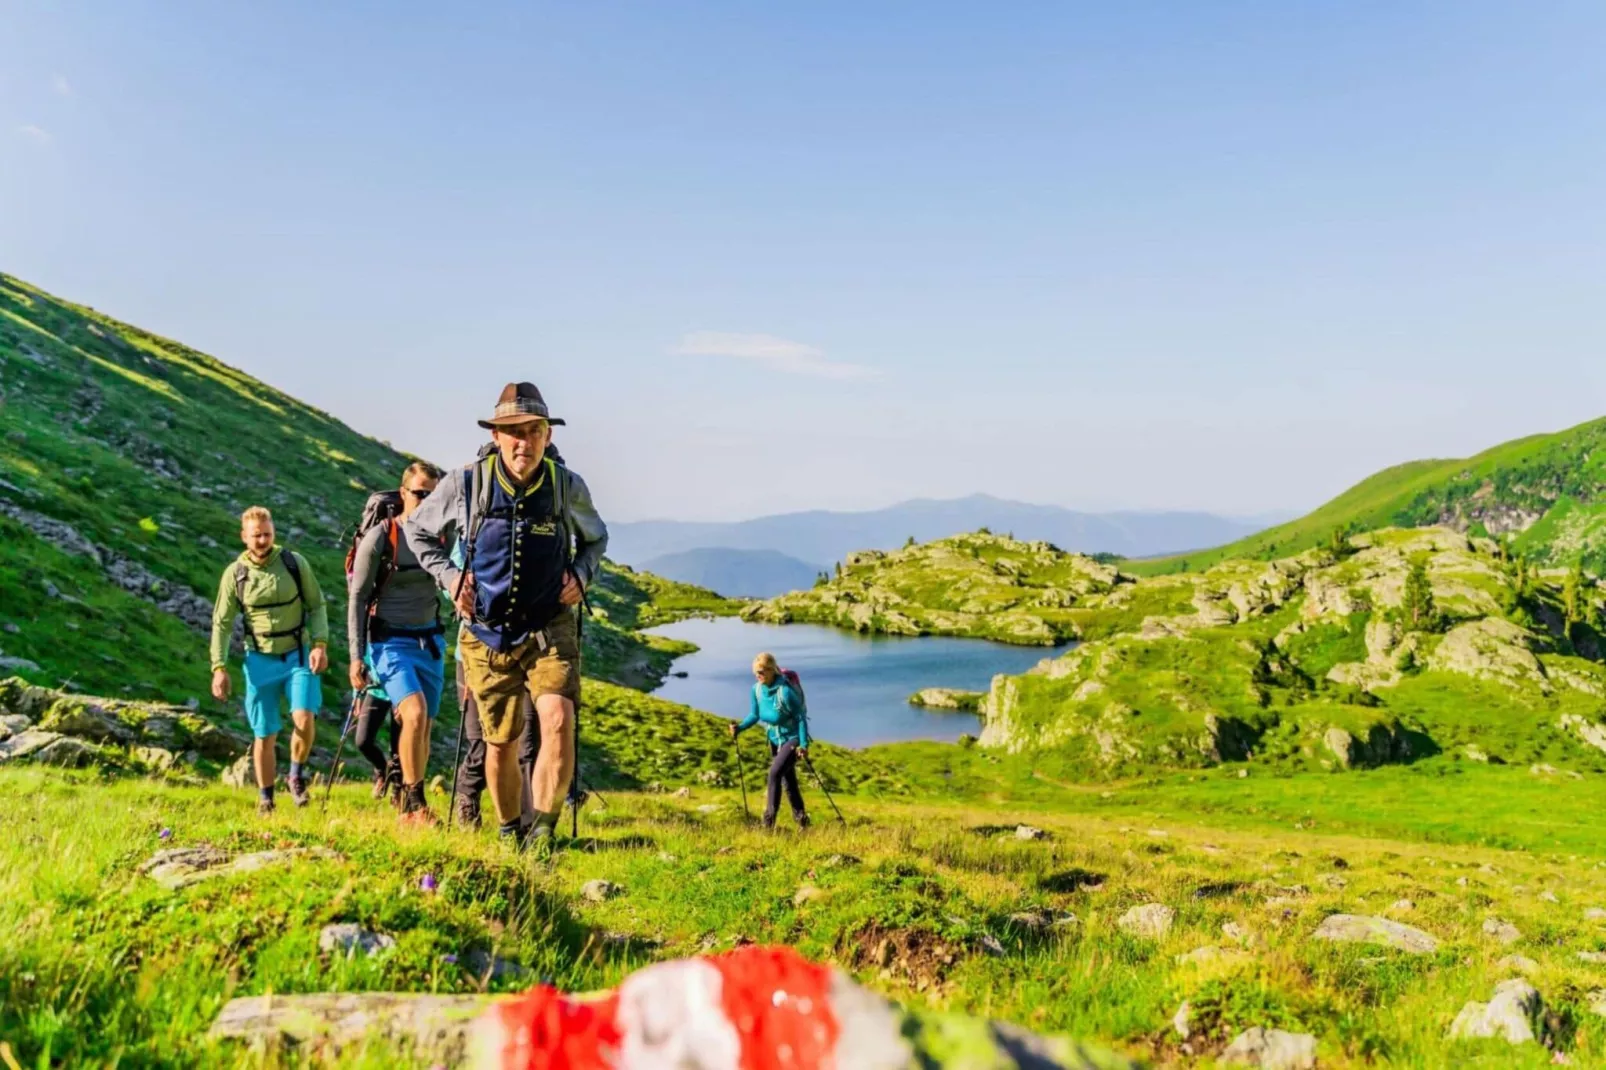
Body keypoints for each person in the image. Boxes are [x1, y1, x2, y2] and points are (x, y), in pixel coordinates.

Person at [407, 382, 608, 859]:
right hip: (485, 631)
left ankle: (542, 835)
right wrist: (451, 578)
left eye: (534, 431)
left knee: (558, 719)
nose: (525, 442)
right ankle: (508, 830)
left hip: (549, 625)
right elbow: (418, 530)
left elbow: (596, 540)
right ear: (496, 436)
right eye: (513, 432)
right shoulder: (466, 483)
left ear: (546, 434)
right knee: (500, 742)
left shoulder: (566, 486)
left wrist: (583, 574)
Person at [210, 506, 330, 813]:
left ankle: (296, 776)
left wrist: (319, 644)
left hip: (298, 654)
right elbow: (222, 624)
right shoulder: (234, 575)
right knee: (265, 733)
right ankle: (266, 799)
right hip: (259, 660)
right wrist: (219, 667)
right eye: (256, 536)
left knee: (304, 717)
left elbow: (316, 605)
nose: (263, 540)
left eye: (268, 534)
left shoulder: (292, 563)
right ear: (244, 537)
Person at [348, 461, 448, 824]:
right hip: (389, 642)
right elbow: (357, 598)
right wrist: (356, 657)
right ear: (404, 493)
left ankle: (407, 803)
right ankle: (415, 803)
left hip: (431, 642)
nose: (427, 501)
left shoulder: (444, 535)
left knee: (423, 729)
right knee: (415, 713)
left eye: (435, 496)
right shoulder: (382, 537)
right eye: (421, 493)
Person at [730, 652, 811, 830]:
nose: (757, 675)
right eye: (755, 672)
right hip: (774, 739)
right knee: (788, 781)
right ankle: (802, 822)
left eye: (761, 672)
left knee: (774, 773)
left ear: (771, 670)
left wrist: (803, 745)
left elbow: (800, 718)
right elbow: (755, 714)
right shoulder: (757, 690)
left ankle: (768, 824)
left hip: (792, 739)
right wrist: (740, 728)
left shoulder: (785, 691)